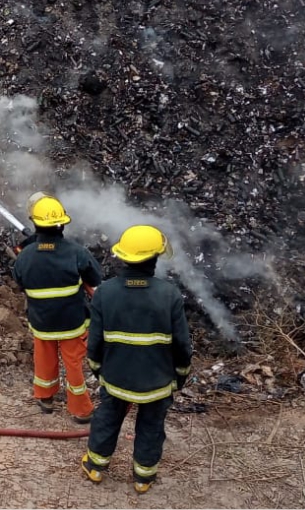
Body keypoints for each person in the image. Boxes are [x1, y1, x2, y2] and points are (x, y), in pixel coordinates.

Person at [81, 225, 193, 494]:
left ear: (123, 257)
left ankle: (95, 467)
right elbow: (182, 345)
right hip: (157, 382)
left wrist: (99, 371)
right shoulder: (169, 295)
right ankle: (143, 478)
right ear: (154, 259)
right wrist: (179, 375)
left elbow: (94, 342)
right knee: (151, 427)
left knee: (107, 419)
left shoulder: (105, 293)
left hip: (116, 379)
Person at [12, 192, 104, 423]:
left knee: (44, 359)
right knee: (73, 365)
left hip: (41, 322)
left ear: (35, 224)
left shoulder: (24, 257)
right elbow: (95, 278)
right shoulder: (76, 252)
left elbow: (20, 282)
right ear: (62, 224)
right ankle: (81, 410)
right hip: (71, 323)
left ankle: (45, 397)